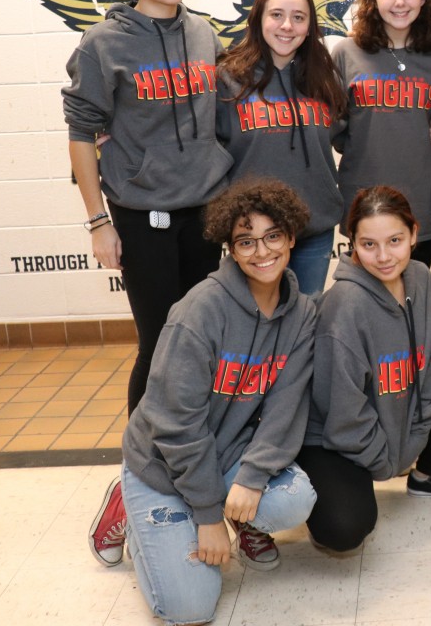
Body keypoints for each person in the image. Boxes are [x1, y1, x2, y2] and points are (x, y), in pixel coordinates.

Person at [68, 0, 231, 568]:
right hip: (144, 217)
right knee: (160, 347)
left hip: (205, 214)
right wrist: (97, 220)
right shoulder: (103, 44)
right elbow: (82, 134)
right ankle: (136, 481)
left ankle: (199, 469)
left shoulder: (203, 32)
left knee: (206, 345)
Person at [118, 178, 318, 625]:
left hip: (224, 452)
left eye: (272, 237)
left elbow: (286, 408)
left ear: (290, 237)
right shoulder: (199, 312)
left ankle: (215, 512)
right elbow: (175, 425)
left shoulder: (301, 313)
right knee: (191, 610)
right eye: (246, 241)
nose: (261, 252)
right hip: (161, 465)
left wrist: (251, 476)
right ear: (229, 246)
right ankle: (134, 511)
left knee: (291, 500)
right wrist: (209, 516)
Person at [297, 186, 431, 553]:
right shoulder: (345, 306)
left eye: (395, 240)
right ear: (351, 241)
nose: (384, 256)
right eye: (368, 244)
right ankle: (319, 487)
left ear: (414, 234)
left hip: (395, 412)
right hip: (333, 440)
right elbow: (343, 413)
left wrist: (410, 444)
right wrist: (385, 461)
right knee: (344, 530)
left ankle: (427, 475)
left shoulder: (419, 278)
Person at [217, 0, 346, 296]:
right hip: (255, 235)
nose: (287, 26)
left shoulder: (324, 78)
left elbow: (346, 134)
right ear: (258, 18)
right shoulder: (228, 78)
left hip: (314, 227)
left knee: (305, 320)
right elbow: (200, 143)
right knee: (258, 327)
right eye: (276, 15)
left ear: (309, 26)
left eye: (298, 17)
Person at [331, 0, 431, 267]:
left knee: (412, 302)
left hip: (420, 206)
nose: (400, 1)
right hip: (364, 206)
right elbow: (335, 132)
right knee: (367, 306)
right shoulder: (346, 53)